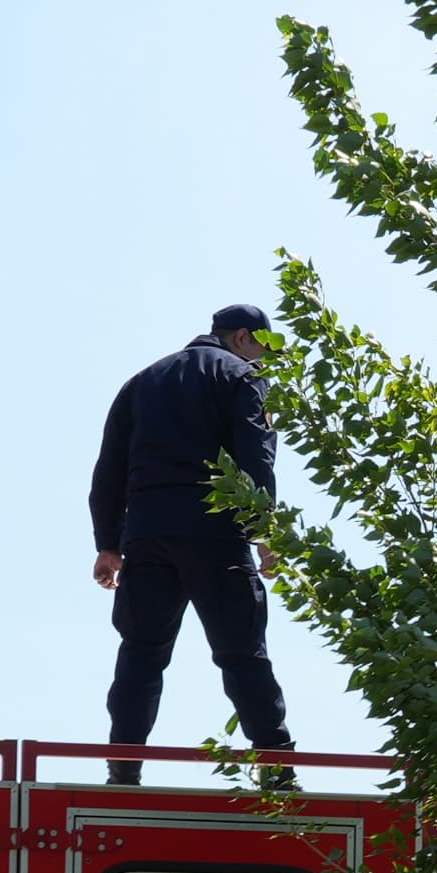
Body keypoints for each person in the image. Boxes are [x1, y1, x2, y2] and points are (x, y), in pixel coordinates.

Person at [86, 301, 296, 786]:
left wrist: (107, 544)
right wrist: (265, 533)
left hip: (147, 535)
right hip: (215, 533)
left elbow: (108, 471)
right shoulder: (241, 377)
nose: (262, 362)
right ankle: (277, 769)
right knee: (242, 651)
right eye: (262, 350)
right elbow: (256, 460)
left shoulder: (140, 382)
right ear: (242, 337)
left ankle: (123, 767)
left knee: (141, 651)